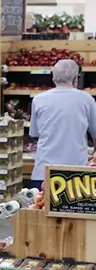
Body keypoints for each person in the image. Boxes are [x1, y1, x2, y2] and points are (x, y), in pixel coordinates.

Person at [29, 59, 96, 190]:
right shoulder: (86, 99)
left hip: (43, 172)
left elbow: (35, 133)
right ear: (75, 79)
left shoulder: (38, 99)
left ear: (54, 78)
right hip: (76, 173)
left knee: (40, 207)